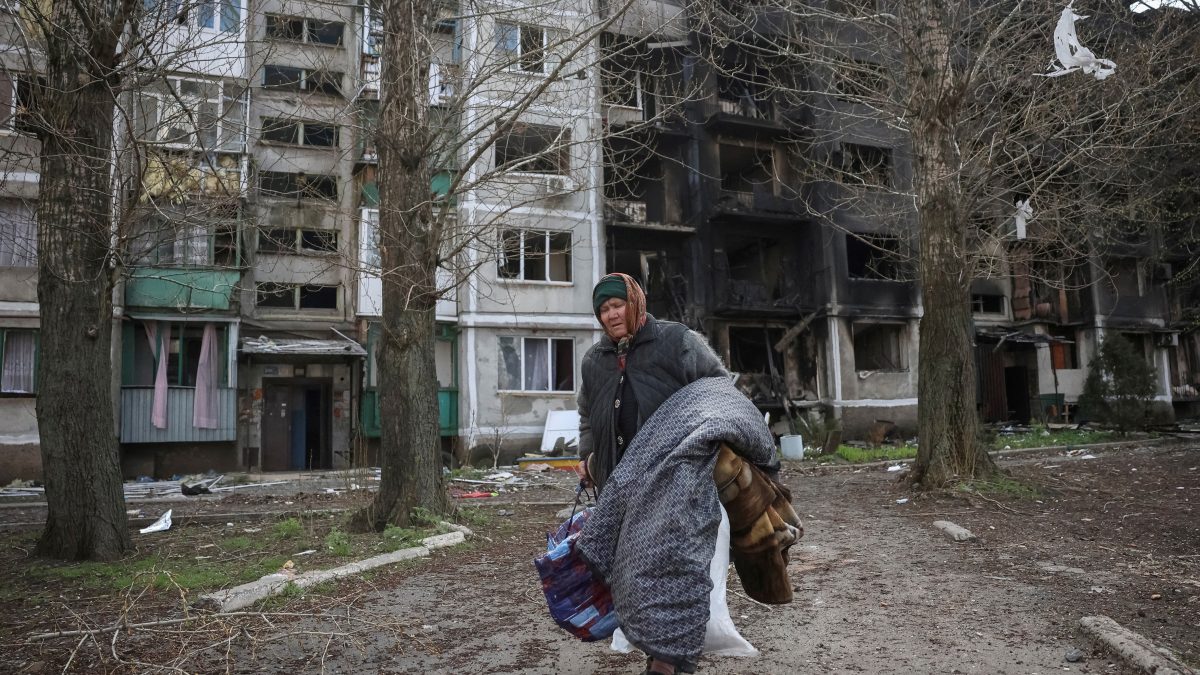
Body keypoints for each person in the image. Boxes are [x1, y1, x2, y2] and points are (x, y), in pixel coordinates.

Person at [575, 272, 729, 675]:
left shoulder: (677, 341)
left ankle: (670, 662)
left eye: (616, 304)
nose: (610, 315)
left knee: (675, 572)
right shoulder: (594, 361)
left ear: (635, 301)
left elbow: (719, 388)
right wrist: (587, 456)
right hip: (620, 489)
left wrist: (704, 439)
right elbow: (587, 415)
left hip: (674, 486)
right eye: (603, 310)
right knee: (635, 579)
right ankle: (661, 656)